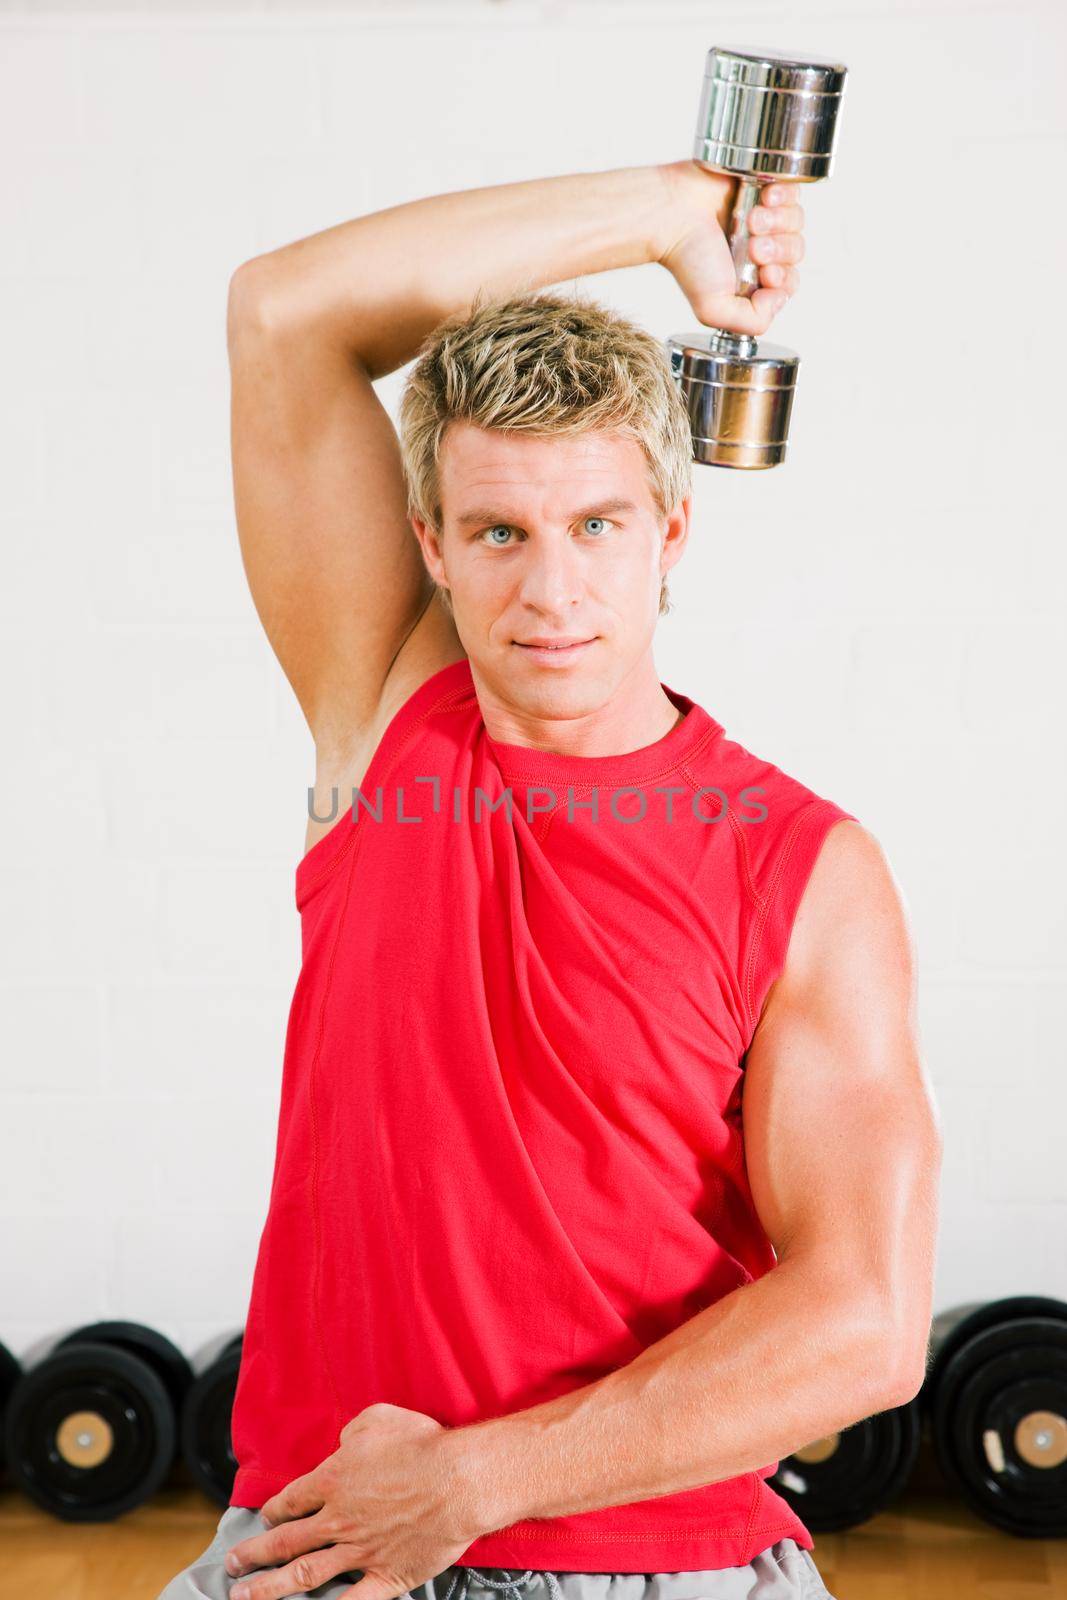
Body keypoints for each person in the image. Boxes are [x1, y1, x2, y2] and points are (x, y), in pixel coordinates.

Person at [158, 158, 941, 1599]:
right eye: (501, 532)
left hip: (657, 1567)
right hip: (323, 1542)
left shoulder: (803, 868)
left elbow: (870, 1322)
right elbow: (282, 313)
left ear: (671, 534)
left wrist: (474, 1484)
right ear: (431, 548)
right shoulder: (385, 726)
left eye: (598, 526)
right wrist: (665, 219)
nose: (553, 591)